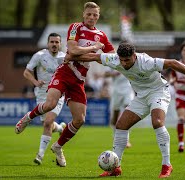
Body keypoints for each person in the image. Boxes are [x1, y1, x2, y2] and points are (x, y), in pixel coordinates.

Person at [65, 42, 185, 178]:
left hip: (158, 91)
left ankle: (167, 165)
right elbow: (94, 56)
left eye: (127, 60)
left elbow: (172, 63)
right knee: (121, 125)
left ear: (134, 56)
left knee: (157, 122)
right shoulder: (115, 59)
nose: (124, 63)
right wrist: (71, 56)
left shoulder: (146, 62)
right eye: (122, 60)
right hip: (141, 96)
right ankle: (116, 167)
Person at [14, 1, 115, 167]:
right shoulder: (75, 27)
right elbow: (73, 50)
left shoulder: (102, 35)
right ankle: (27, 118)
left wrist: (116, 58)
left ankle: (58, 146)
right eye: (88, 14)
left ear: (98, 16)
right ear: (84, 14)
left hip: (79, 80)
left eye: (95, 15)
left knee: (80, 120)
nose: (91, 17)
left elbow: (112, 57)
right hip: (65, 72)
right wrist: (96, 50)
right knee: (49, 104)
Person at [16, 33, 67, 165]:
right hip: (41, 94)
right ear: (48, 43)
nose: (54, 44)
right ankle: (60, 128)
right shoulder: (39, 55)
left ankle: (40, 154)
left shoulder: (64, 58)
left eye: (57, 42)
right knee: (47, 123)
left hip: (57, 94)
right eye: (52, 42)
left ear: (60, 44)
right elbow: (26, 72)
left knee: (47, 122)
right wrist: (35, 81)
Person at [104, 68, 135, 148]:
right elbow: (105, 74)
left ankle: (126, 140)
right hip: (116, 90)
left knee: (128, 112)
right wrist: (114, 73)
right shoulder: (112, 59)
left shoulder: (130, 58)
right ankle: (115, 136)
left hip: (128, 89)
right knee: (115, 116)